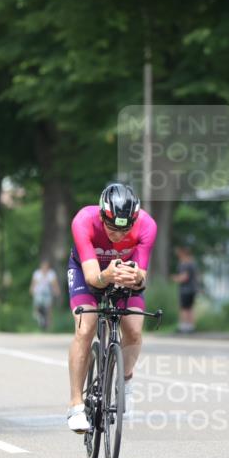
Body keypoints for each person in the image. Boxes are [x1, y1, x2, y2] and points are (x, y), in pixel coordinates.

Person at [65, 183, 157, 433]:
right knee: (86, 328)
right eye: (112, 228)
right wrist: (107, 275)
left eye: (124, 229)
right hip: (88, 271)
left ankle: (125, 379)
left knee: (135, 329)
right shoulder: (84, 220)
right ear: (102, 216)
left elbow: (142, 277)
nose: (117, 235)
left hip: (123, 273)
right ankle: (75, 405)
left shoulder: (147, 225)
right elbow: (94, 278)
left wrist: (137, 278)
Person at [171, 245, 199, 333]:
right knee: (190, 308)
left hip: (185, 289)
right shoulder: (192, 262)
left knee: (184, 308)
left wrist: (175, 278)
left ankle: (183, 326)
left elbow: (184, 277)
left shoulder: (185, 263)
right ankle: (191, 326)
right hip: (192, 289)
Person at [30, 259, 60, 330]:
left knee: (49, 309)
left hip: (47, 293)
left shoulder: (51, 274)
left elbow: (54, 284)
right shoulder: (37, 273)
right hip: (39, 293)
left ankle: (49, 326)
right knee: (37, 306)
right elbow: (33, 283)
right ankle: (38, 318)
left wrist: (57, 291)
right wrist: (31, 289)